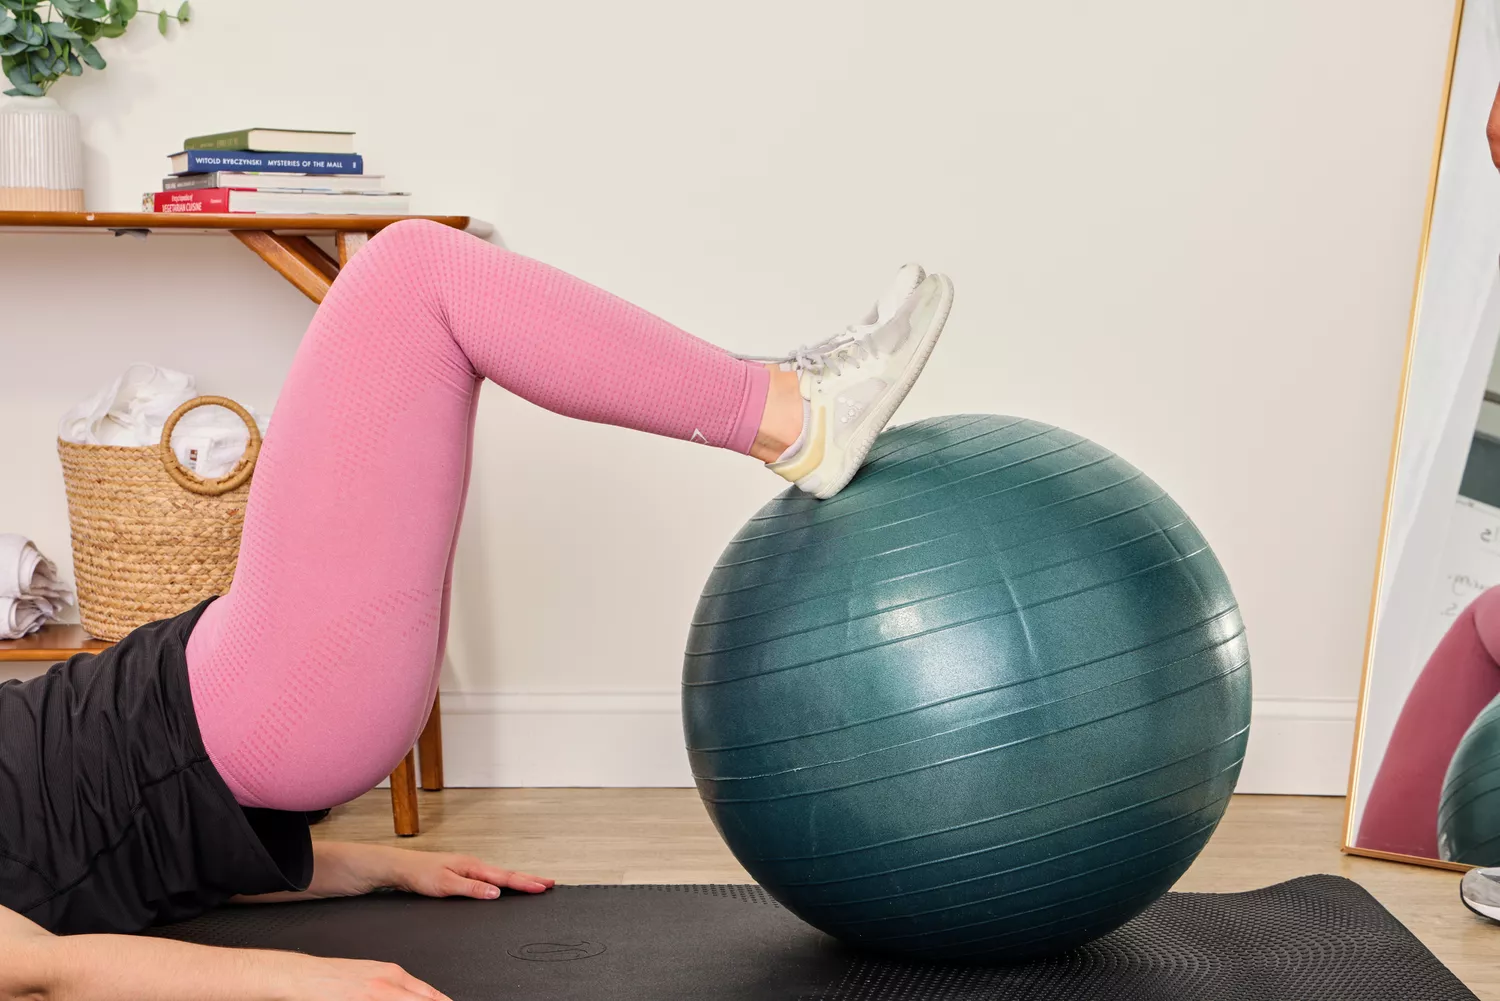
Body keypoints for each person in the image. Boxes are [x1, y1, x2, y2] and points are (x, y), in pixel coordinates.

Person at [0, 219, 954, 1001]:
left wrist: (358, 867)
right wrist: (292, 982)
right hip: (253, 706)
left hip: (249, 699)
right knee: (412, 274)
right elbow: (44, 967)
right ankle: (791, 409)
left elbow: (97, 844)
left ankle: (782, 396)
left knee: (412, 292)